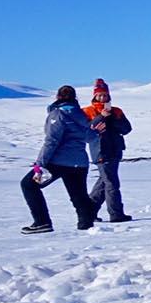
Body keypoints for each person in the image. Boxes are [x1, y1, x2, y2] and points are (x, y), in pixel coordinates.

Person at [21, 85, 99, 234]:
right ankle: (87, 227)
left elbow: (52, 141)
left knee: (28, 185)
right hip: (80, 162)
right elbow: (90, 137)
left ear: (57, 97)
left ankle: (42, 222)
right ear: (75, 98)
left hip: (58, 162)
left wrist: (40, 165)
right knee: (79, 196)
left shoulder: (57, 114)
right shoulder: (82, 115)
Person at [82, 78, 133, 222]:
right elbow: (86, 132)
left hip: (115, 150)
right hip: (100, 151)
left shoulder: (116, 111)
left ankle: (89, 212)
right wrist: (100, 117)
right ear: (95, 96)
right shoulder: (87, 111)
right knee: (111, 183)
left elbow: (127, 129)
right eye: (100, 95)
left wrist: (113, 119)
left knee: (104, 182)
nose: (102, 98)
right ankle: (116, 214)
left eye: (105, 95)